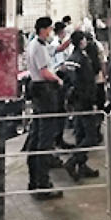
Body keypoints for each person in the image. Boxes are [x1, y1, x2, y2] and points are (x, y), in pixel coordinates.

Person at [25, 17, 64, 199]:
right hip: (43, 91)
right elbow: (44, 72)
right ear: (43, 29)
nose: (50, 32)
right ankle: (43, 183)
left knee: (36, 136)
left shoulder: (36, 44)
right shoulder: (38, 47)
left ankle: (35, 181)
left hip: (38, 91)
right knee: (45, 138)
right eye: (49, 29)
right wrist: (58, 80)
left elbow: (56, 50)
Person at [62, 29, 102, 181]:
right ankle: (73, 162)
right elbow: (87, 83)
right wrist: (93, 101)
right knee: (91, 136)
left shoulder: (71, 59)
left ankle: (82, 165)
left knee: (80, 134)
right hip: (85, 101)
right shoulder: (83, 60)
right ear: (81, 42)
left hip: (75, 101)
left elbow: (68, 81)